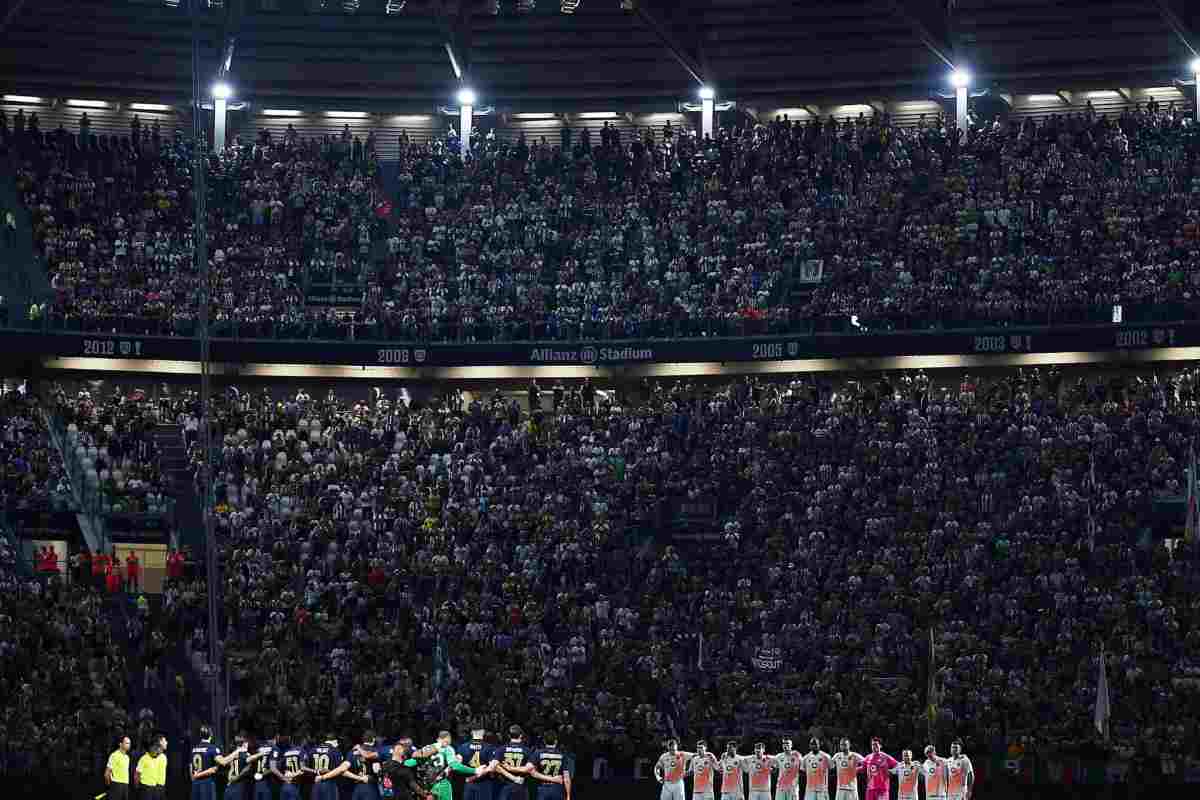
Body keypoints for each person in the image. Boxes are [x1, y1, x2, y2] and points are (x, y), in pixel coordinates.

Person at [529, 730, 572, 800]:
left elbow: (532, 772)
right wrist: (568, 796)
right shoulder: (562, 755)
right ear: (556, 741)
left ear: (544, 741)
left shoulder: (538, 753)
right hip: (557, 789)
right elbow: (566, 778)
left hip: (542, 788)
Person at [456, 727, 494, 800]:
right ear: (483, 732)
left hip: (468, 783)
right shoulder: (489, 747)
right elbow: (492, 768)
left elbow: (457, 766)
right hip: (484, 784)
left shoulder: (463, 747)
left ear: (471, 732)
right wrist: (477, 775)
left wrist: (471, 776)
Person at [311, 733, 351, 800]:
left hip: (316, 783)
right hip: (330, 784)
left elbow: (307, 767)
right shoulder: (335, 751)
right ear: (335, 741)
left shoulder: (313, 750)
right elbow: (340, 769)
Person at [190, 725, 224, 800]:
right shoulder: (212, 748)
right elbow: (221, 763)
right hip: (207, 783)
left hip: (195, 784)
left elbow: (190, 768)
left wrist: (194, 777)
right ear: (211, 735)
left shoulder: (194, 749)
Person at [347, 731, 382, 800]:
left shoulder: (352, 751)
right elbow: (377, 770)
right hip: (370, 786)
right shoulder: (375, 750)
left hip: (356, 786)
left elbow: (345, 770)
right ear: (373, 739)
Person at [274, 733, 309, 800]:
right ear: (303, 741)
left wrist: (284, 776)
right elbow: (303, 769)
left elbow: (277, 766)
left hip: (285, 784)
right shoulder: (302, 751)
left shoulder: (285, 752)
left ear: (292, 741)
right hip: (296, 785)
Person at [136, 734, 169, 800]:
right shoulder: (145, 757)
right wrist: (138, 787)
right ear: (159, 742)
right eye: (164, 740)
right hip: (147, 788)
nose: (167, 742)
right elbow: (137, 774)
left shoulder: (163, 757)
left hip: (160, 788)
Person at [105, 735, 132, 800]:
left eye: (129, 743)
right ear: (120, 744)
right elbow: (106, 773)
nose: (129, 745)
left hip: (125, 785)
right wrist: (109, 786)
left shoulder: (127, 757)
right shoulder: (114, 755)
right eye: (127, 743)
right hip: (116, 785)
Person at [252, 734, 277, 800]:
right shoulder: (274, 748)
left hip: (258, 779)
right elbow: (273, 768)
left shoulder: (258, 748)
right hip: (267, 780)